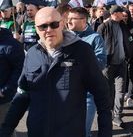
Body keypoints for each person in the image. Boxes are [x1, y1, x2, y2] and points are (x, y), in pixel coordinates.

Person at [0, 7, 112, 137]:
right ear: (36, 29)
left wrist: (105, 133)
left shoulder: (82, 51)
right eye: (43, 26)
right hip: (37, 132)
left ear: (62, 24)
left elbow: (102, 95)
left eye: (54, 24)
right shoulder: (32, 54)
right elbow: (22, 96)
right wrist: (6, 129)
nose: (49, 30)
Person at [67, 7, 107, 137]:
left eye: (72, 19)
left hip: (87, 95)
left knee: (83, 131)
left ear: (83, 20)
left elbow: (101, 62)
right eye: (68, 18)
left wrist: (77, 63)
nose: (68, 22)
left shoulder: (95, 38)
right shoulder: (65, 37)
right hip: (67, 93)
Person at [98, 5, 133, 128]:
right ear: (114, 14)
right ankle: (109, 113)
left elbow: (129, 40)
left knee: (120, 90)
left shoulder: (123, 26)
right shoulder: (103, 27)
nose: (122, 15)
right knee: (109, 91)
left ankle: (117, 115)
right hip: (108, 65)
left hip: (122, 63)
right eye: (119, 13)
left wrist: (129, 54)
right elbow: (98, 46)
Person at [0, 28, 24, 126]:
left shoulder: (13, 45)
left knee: (4, 131)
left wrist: (4, 90)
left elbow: (20, 70)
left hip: (3, 101)